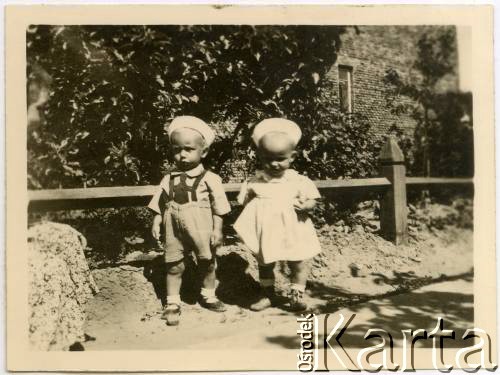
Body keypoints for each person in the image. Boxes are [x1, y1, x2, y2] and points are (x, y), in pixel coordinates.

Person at [149, 116, 231, 326]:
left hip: (201, 224)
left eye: (188, 149)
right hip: (173, 225)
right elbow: (161, 201)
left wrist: (218, 230)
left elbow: (219, 207)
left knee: (207, 261)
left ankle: (208, 295)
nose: (182, 154)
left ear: (203, 152)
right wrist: (157, 220)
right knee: (174, 263)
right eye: (177, 149)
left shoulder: (210, 178)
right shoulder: (169, 178)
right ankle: (173, 302)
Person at [234, 118, 322, 312]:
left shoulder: (298, 180)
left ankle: (296, 295)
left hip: (293, 228)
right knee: (265, 262)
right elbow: (245, 203)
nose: (274, 164)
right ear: (259, 156)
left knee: (297, 260)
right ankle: (267, 294)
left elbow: (313, 200)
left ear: (292, 156)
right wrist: (250, 201)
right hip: (267, 229)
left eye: (280, 159)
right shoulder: (255, 181)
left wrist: (307, 205)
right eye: (267, 159)